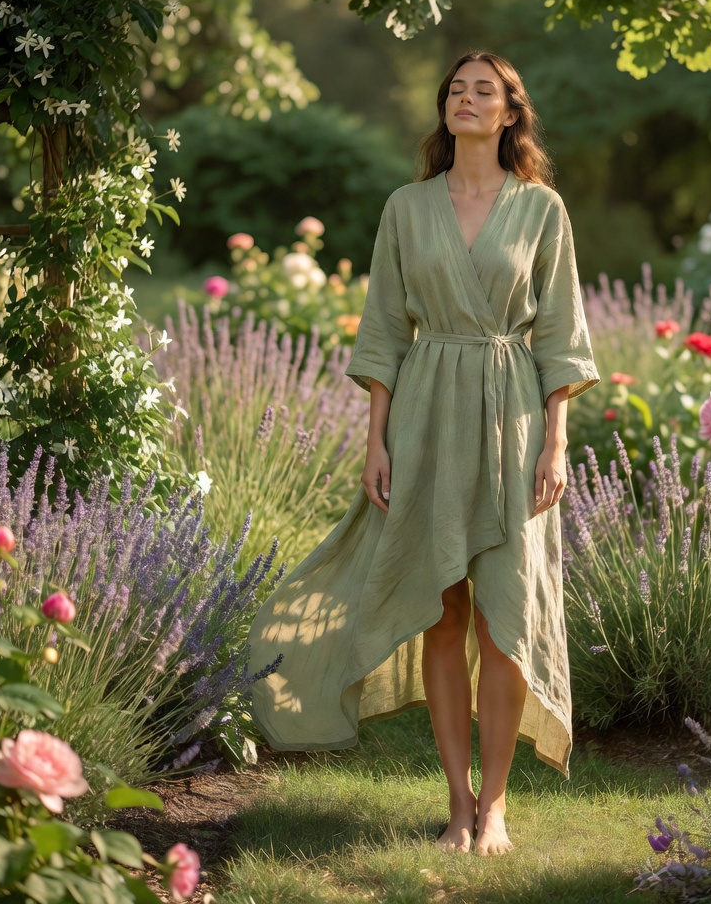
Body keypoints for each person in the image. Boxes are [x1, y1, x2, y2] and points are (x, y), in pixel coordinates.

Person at [247, 50, 600, 855]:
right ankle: (456, 802)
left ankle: (499, 806)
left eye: (485, 92)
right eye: (456, 90)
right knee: (444, 611)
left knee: (507, 618)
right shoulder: (406, 208)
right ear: (443, 108)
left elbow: (560, 336)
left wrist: (556, 443)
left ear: (511, 113)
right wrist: (374, 439)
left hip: (512, 419)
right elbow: (382, 331)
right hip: (425, 414)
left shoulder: (542, 210)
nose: (466, 100)